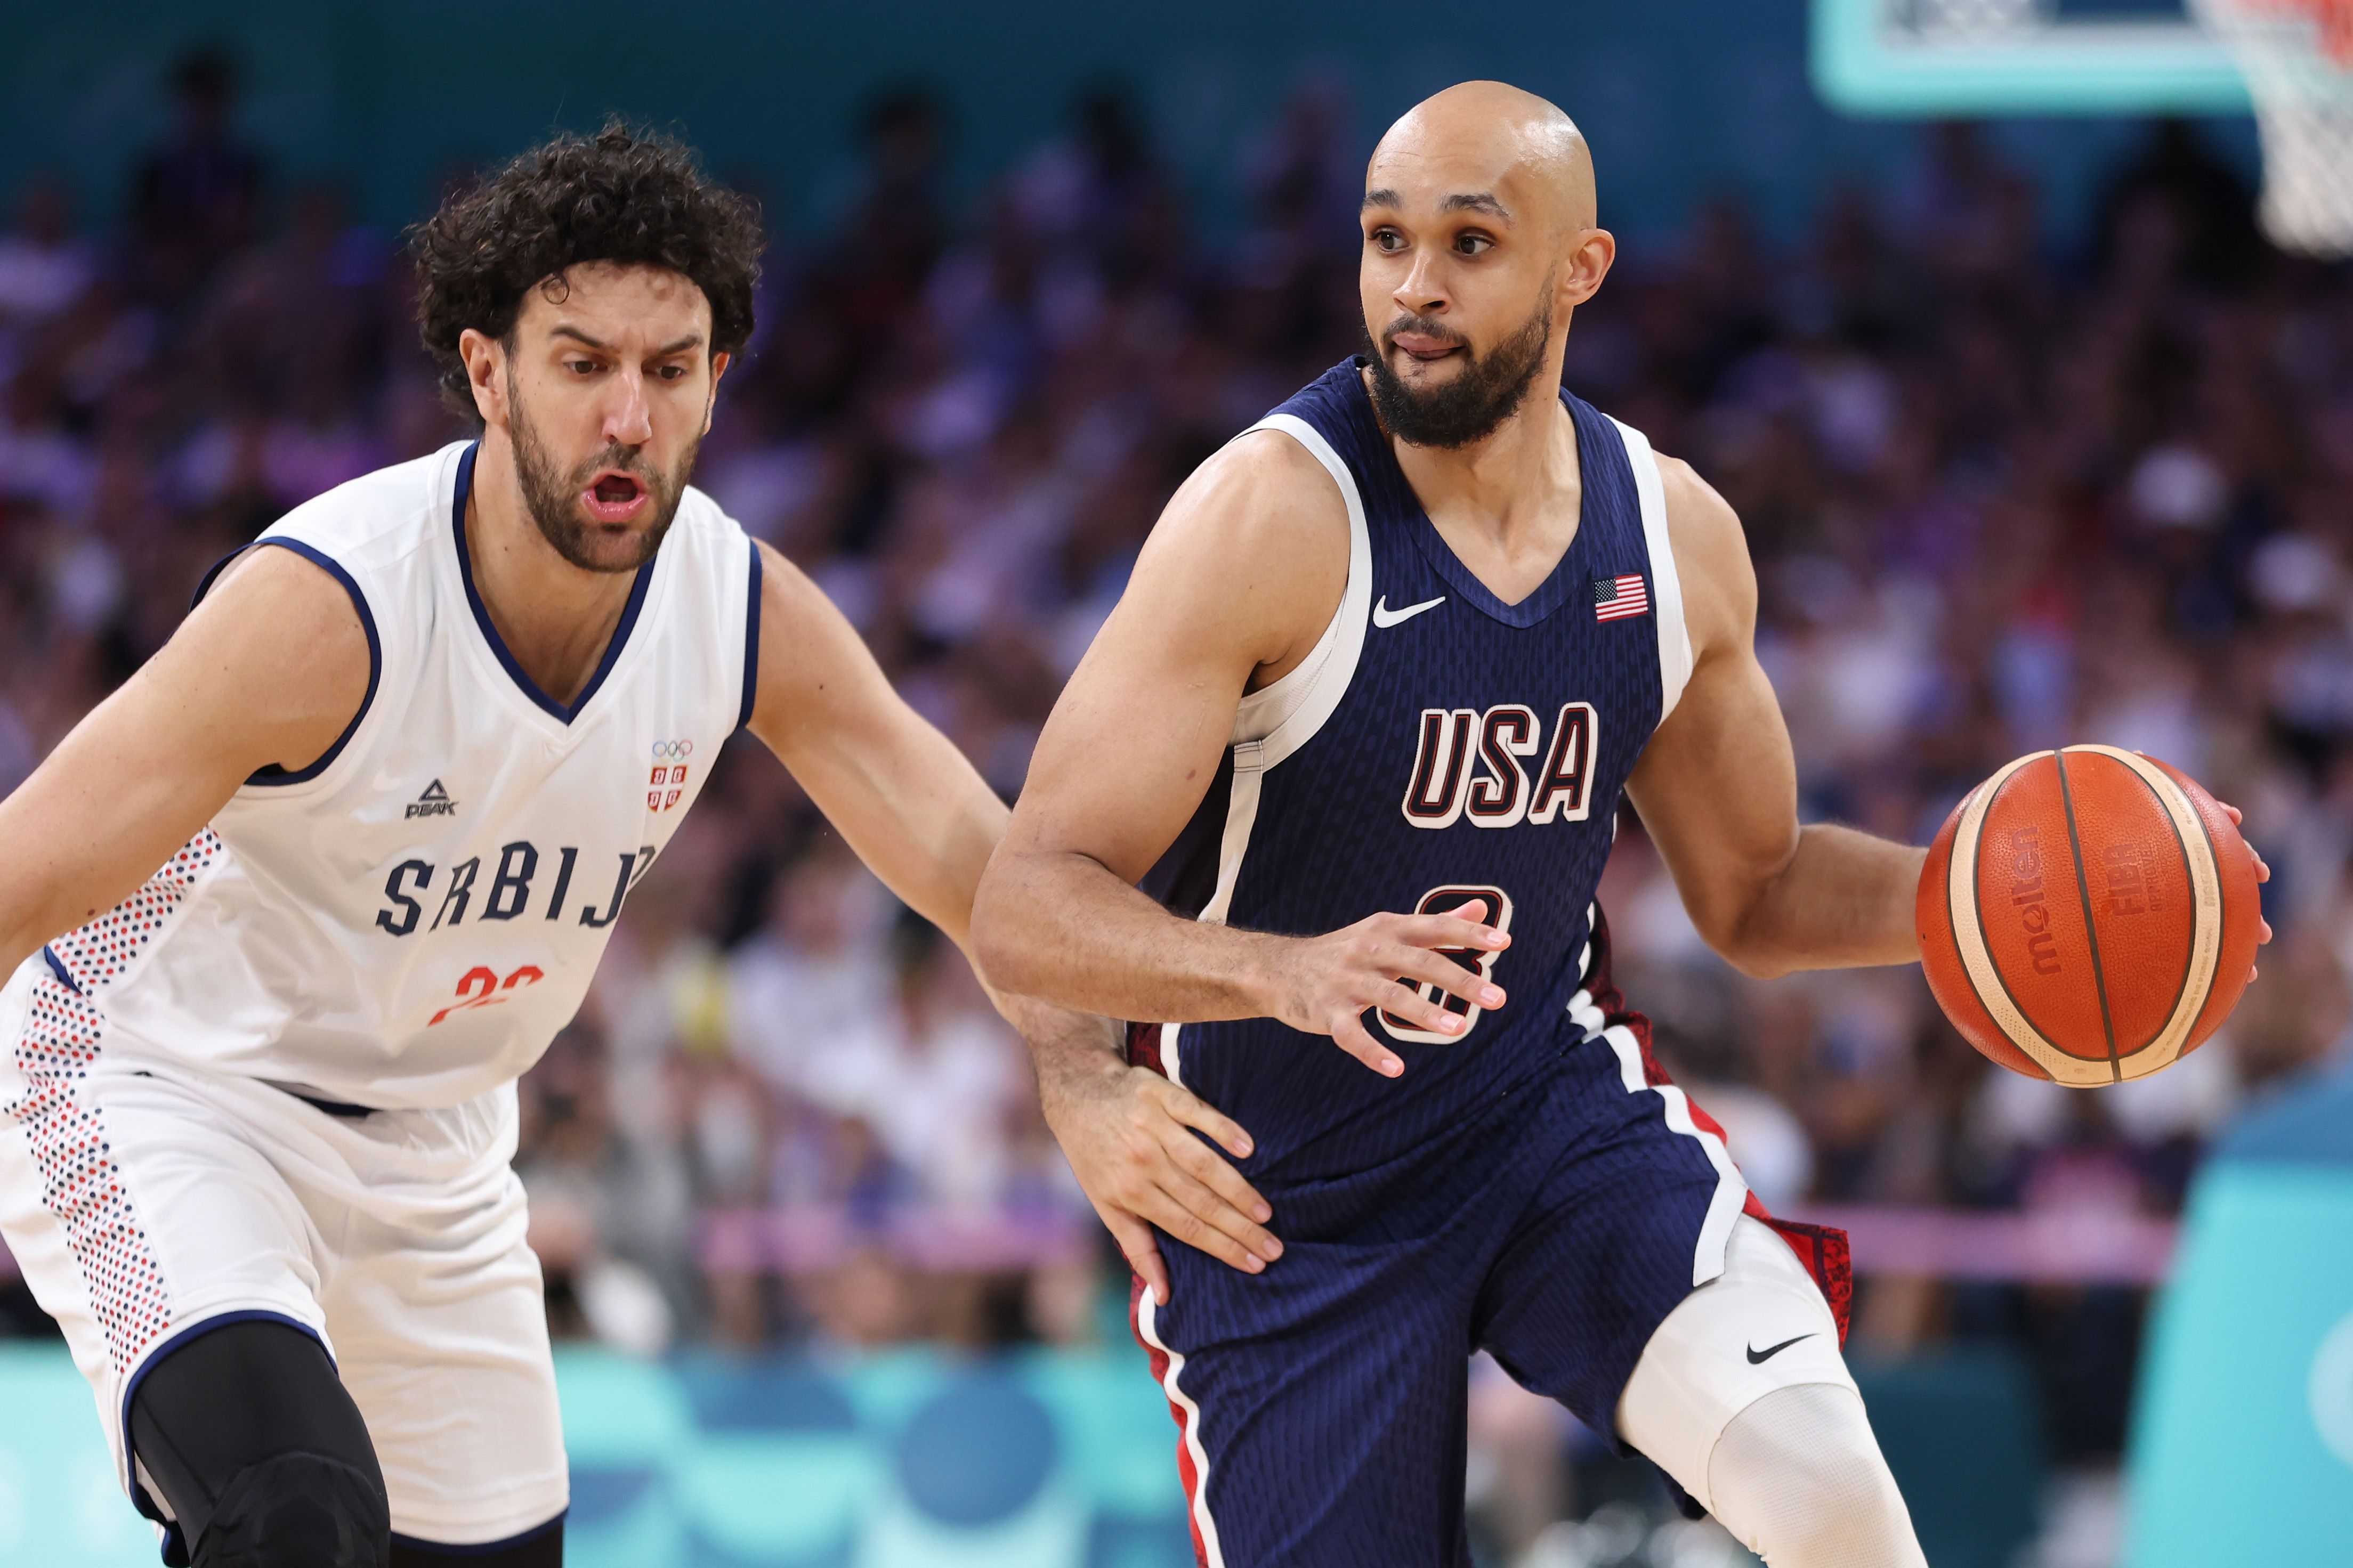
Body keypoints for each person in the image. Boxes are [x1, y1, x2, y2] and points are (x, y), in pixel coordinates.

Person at [0, 124, 1197, 1568]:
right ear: (490, 374)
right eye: (583, 365)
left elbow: (985, 881)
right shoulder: (326, 609)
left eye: (669, 368)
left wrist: (1082, 1072)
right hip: (163, 1087)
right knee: (292, 1514)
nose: (629, 413)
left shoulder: (744, 611)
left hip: (437, 1143)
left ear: (715, 388)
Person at [976, 82, 1948, 1566]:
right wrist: (1271, 975)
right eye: (1385, 240)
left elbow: (1755, 891)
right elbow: (1029, 900)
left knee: (1832, 1498)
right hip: (1279, 1200)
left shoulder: (1673, 537)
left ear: (1581, 269)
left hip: (1544, 1124)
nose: (1414, 287)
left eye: (1470, 243)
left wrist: (1973, 901)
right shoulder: (1268, 517)